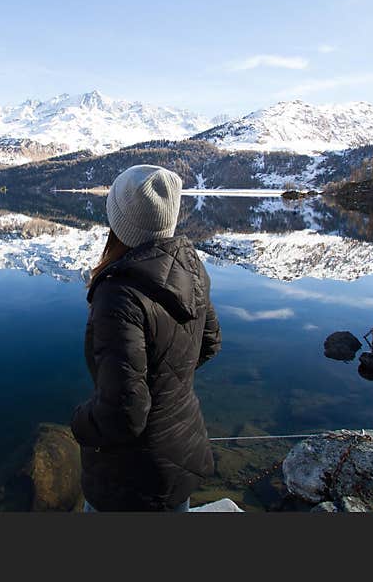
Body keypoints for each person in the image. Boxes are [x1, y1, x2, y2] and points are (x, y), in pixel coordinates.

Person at [71, 164, 221, 512]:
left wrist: (79, 422)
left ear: (119, 220)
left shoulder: (118, 294)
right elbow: (210, 342)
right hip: (181, 452)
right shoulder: (190, 266)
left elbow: (125, 413)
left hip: (128, 477)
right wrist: (163, 381)